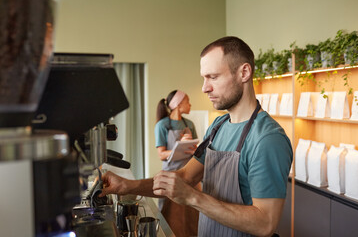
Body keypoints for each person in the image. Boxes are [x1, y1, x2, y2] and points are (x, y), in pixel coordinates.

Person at [99, 36, 293, 237]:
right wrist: (128, 185)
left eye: (213, 77)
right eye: (204, 78)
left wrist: (193, 198)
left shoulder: (268, 139)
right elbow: (186, 176)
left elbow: (265, 223)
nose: (204, 87)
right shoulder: (218, 126)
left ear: (244, 72)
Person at [154, 90, 200, 237]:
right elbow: (161, 154)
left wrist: (191, 147)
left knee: (192, 219)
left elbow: (196, 150)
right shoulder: (162, 125)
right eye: (187, 101)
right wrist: (177, 148)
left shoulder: (189, 124)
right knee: (171, 220)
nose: (190, 104)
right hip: (171, 177)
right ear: (179, 104)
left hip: (190, 177)